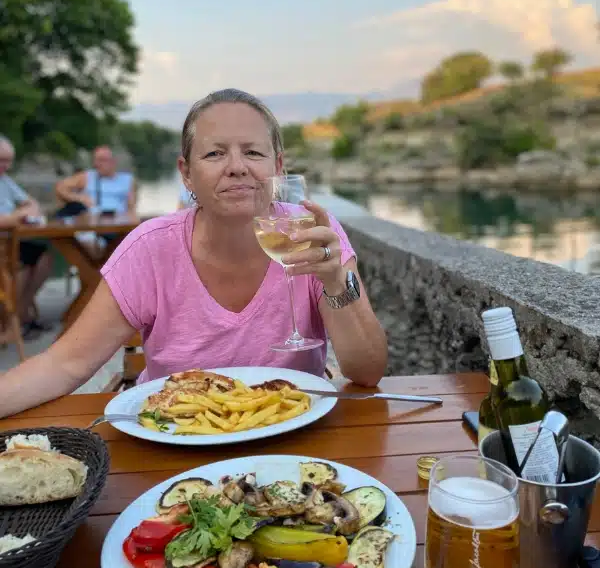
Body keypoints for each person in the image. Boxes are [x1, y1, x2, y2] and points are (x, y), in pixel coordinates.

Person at [0, 89, 387, 419]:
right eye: (215, 154)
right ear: (186, 174)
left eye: (253, 152)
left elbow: (367, 372)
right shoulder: (150, 249)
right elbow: (65, 364)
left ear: (278, 167)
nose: (237, 167)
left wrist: (337, 282)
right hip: (175, 436)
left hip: (292, 437)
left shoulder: (312, 233)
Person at [0, 136, 53, 336]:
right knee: (20, 264)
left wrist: (26, 211)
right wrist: (18, 216)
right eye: (1, 160)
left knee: (44, 259)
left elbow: (31, 203)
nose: (5, 165)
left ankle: (20, 314)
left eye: (8, 161)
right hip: (3, 247)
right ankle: (12, 321)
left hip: (10, 243)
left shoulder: (5, 180)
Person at [55, 146, 137, 215]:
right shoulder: (87, 176)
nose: (96, 164)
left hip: (118, 222)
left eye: (101, 160)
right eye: (95, 160)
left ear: (113, 162)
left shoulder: (127, 180)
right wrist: (79, 198)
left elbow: (131, 208)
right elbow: (60, 187)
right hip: (92, 223)